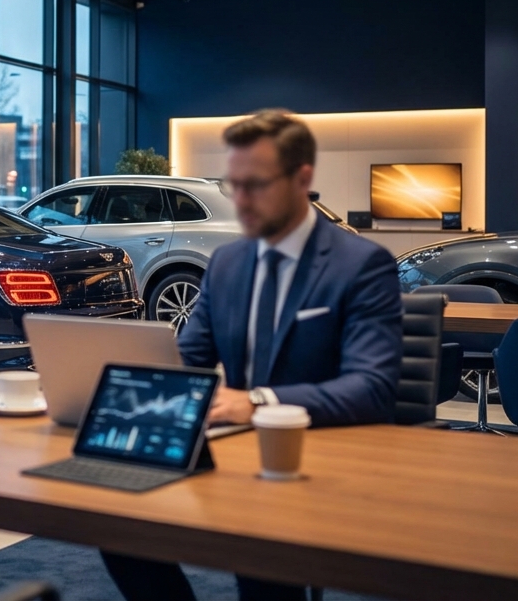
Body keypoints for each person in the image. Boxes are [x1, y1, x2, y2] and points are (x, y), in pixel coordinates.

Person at [101, 109, 404, 601]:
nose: (240, 200)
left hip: (323, 454)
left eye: (255, 185)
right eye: (232, 185)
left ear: (302, 178)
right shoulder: (227, 262)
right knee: (118, 526)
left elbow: (371, 388)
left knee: (265, 569)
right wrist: (123, 390)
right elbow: (190, 358)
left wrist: (257, 401)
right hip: (237, 452)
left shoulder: (361, 264)